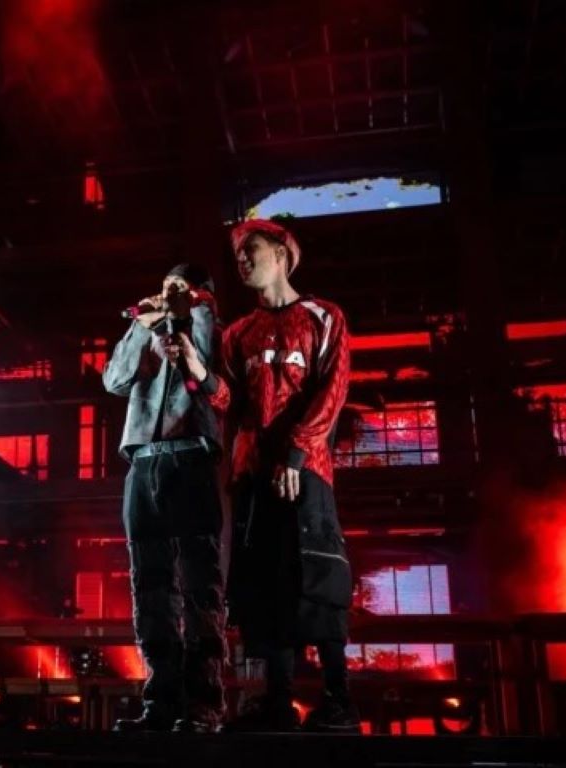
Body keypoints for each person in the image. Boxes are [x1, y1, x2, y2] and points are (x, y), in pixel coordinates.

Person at [222, 218, 358, 732]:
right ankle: (277, 702)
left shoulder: (324, 317)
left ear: (281, 252)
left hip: (308, 475)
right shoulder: (236, 335)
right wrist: (194, 371)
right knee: (264, 587)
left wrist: (297, 456)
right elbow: (229, 402)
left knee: (319, 579)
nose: (241, 260)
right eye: (236, 254)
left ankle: (339, 700)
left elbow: (333, 390)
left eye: (249, 249)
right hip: (256, 477)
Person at [102, 264, 227, 734]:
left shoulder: (211, 327)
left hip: (192, 458)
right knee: (149, 586)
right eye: (165, 285)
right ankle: (161, 700)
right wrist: (141, 325)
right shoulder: (145, 326)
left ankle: (204, 705)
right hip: (143, 462)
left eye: (181, 288)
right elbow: (114, 381)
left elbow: (216, 380)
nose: (169, 293)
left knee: (199, 586)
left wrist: (193, 312)